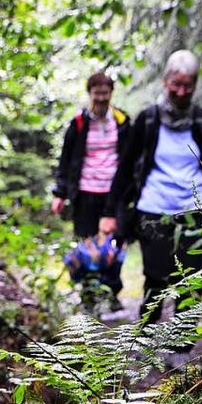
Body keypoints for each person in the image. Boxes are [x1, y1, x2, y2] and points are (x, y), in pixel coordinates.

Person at [100, 49, 202, 332]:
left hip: (196, 212)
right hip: (153, 211)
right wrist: (110, 213)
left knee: (193, 279)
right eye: (176, 84)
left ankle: (182, 344)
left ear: (195, 85)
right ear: (165, 81)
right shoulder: (147, 120)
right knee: (156, 277)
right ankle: (145, 337)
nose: (181, 91)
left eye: (188, 85)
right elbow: (125, 170)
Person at [51, 71, 131, 313]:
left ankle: (112, 292)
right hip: (85, 193)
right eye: (96, 94)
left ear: (111, 94)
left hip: (114, 194)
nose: (101, 99)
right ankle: (89, 298)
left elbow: (131, 159)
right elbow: (66, 162)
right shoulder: (78, 124)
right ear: (89, 94)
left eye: (105, 94)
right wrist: (60, 194)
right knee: (88, 246)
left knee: (116, 246)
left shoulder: (122, 121)